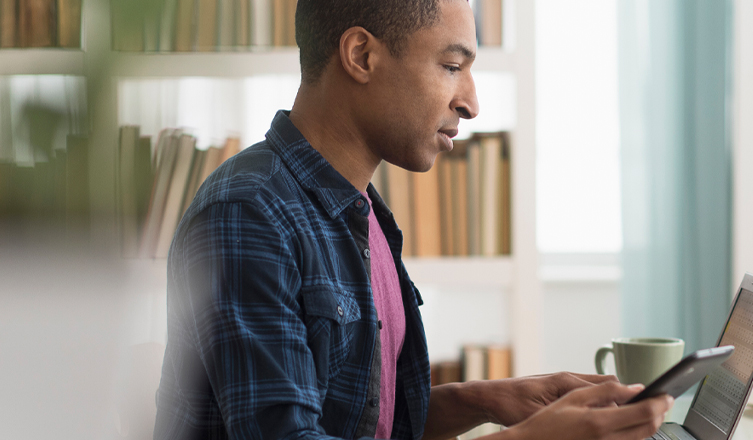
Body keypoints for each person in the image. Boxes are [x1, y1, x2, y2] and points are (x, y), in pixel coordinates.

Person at [151, 1, 674, 439]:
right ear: (361, 55)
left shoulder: (362, 209)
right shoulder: (248, 214)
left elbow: (367, 425)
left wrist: (485, 399)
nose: (471, 103)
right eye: (451, 66)